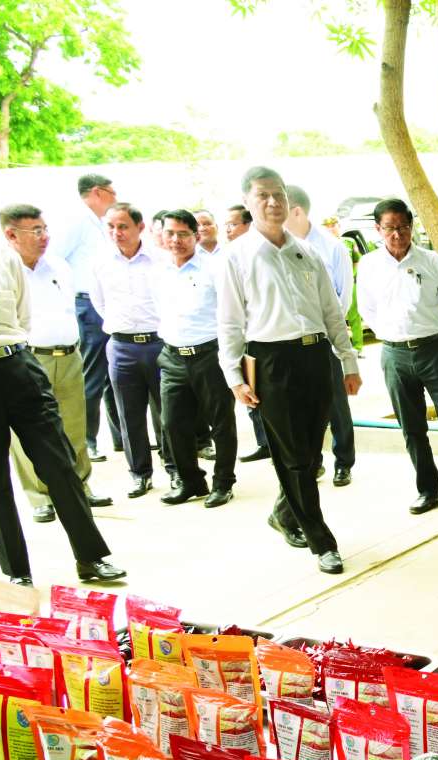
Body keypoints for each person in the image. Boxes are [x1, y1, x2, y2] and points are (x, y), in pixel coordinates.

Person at [0, 181, 125, 587]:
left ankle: (91, 557)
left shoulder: (1, 258)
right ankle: (17, 573)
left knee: (59, 463)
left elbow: (21, 317)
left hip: (18, 364)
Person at [217, 166, 361, 576]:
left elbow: (331, 312)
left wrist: (348, 360)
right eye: (262, 195)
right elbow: (229, 322)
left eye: (278, 194)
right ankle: (322, 542)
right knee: (294, 458)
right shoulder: (237, 257)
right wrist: (234, 377)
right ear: (247, 201)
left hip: (315, 357)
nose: (272, 202)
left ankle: (284, 513)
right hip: (271, 360)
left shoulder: (306, 251)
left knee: (311, 454)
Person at [356, 198, 438, 516]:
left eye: (403, 227)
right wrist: (392, 334)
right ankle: (428, 490)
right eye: (390, 228)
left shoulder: (432, 261)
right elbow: (367, 309)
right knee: (412, 427)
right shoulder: (370, 266)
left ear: (411, 226)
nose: (397, 234)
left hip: (434, 351)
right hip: (395, 355)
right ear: (378, 229)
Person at [0, 204, 114, 522]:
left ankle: (79, 486)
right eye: (35, 231)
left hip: (69, 356)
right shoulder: (2, 269)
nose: (44, 236)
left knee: (74, 426)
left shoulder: (58, 266)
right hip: (28, 358)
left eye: (45, 229)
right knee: (28, 431)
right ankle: (40, 496)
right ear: (11, 234)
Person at [154, 210, 235, 509]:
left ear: (196, 236)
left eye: (183, 234)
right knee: (172, 423)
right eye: (170, 233)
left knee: (220, 422)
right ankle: (191, 482)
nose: (175, 240)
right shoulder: (159, 271)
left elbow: (231, 313)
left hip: (209, 355)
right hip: (173, 356)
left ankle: (223, 483)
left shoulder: (214, 268)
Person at [93, 202, 175, 498]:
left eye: (123, 226)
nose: (117, 232)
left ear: (140, 227)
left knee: (168, 413)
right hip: (122, 346)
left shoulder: (161, 260)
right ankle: (140, 473)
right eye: (111, 227)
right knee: (129, 415)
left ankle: (175, 469)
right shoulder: (100, 262)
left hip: (158, 344)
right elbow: (99, 302)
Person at [283, 185, 355, 487]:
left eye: (282, 211)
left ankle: (344, 462)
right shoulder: (278, 248)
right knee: (302, 407)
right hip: (292, 342)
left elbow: (343, 297)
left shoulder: (331, 247)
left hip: (325, 338)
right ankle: (315, 462)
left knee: (335, 403)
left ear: (297, 211)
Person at [49, 173, 122, 463]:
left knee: (114, 372)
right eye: (112, 192)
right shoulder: (76, 220)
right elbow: (54, 258)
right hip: (88, 302)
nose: (115, 198)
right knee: (93, 374)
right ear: (97, 192)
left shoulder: (101, 222)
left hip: (109, 300)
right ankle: (87, 439)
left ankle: (121, 436)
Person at [225, 204, 270, 464]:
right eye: (225, 225)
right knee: (249, 395)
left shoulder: (261, 256)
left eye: (232, 224)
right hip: (236, 340)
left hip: (262, 342)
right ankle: (264, 443)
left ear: (248, 225)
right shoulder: (228, 256)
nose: (227, 230)